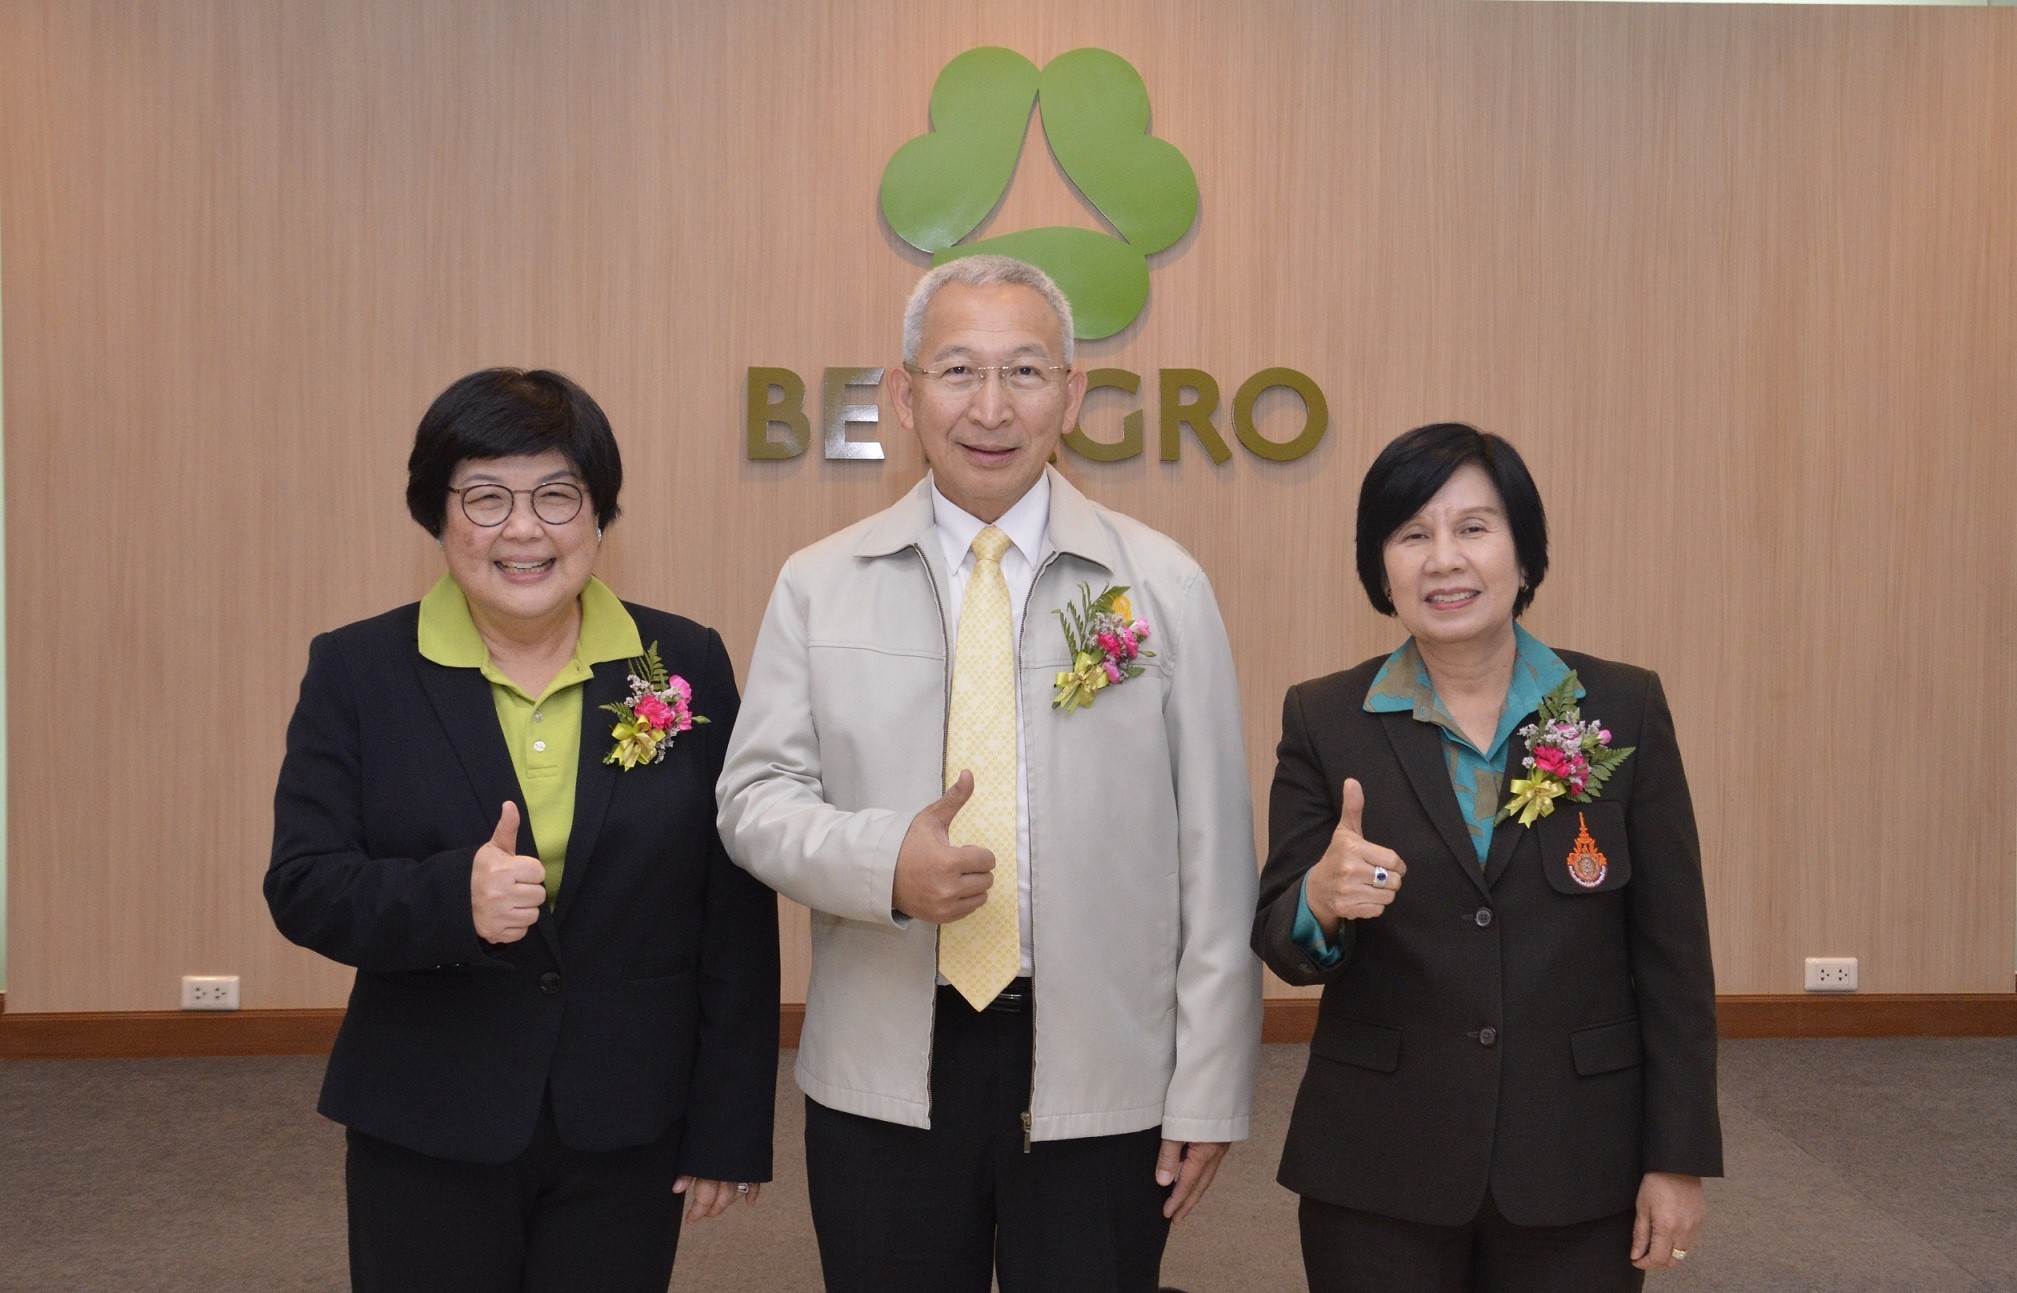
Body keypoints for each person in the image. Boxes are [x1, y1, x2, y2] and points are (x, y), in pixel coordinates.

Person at [717, 255, 1261, 1293]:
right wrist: (883, 861)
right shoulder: (818, 585)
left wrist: (1210, 1085)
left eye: (1024, 371)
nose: (991, 407)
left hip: (1104, 1064)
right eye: (959, 370)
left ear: (1072, 395)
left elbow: (1215, 858)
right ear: (904, 394)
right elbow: (752, 801)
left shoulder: (1162, 585)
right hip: (885, 1064)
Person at [267, 368, 778, 1292]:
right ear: (437, 514)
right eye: (486, 497)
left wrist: (728, 1125)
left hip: (628, 1114)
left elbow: (732, 910)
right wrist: (448, 898)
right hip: (429, 1112)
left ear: (598, 513)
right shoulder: (358, 669)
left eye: (556, 495)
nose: (524, 529)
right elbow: (304, 883)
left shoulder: (681, 661)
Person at [1253, 423, 1721, 1292]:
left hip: (1578, 1158)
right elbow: (1282, 940)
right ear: (1379, 567)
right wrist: (1317, 897)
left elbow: (1673, 955)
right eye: (1411, 534)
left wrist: (1677, 1156)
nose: (1444, 560)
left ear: (1524, 551)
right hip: (1378, 1163)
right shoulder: (1324, 717)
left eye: (1473, 527)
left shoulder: (1620, 704)